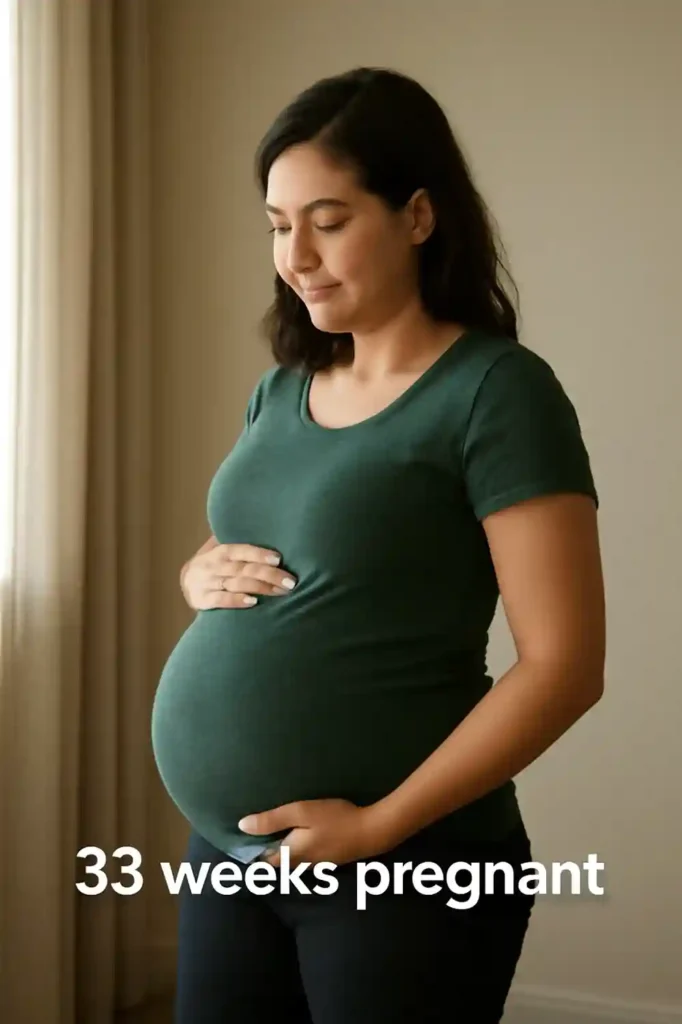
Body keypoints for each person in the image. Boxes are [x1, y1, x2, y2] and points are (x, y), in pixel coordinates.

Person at [151, 66, 605, 1024]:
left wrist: (377, 827)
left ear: (418, 216)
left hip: (407, 862)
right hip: (229, 855)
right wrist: (197, 570)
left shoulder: (497, 393)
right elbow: (299, 541)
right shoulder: (283, 389)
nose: (296, 256)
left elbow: (564, 666)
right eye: (278, 225)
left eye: (329, 219)